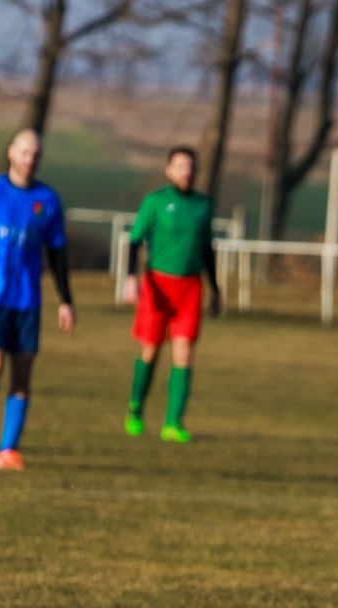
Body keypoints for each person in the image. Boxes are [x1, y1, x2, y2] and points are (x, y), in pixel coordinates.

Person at [0, 129, 75, 471]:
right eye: (24, 152)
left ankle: (8, 450)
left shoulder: (47, 200)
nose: (30, 159)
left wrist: (66, 300)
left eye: (35, 154)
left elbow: (57, 253)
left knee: (22, 375)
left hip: (28, 302)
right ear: (11, 153)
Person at [122, 145, 220, 442]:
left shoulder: (204, 205)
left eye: (190, 167)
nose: (186, 172)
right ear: (169, 171)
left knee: (185, 354)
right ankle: (135, 408)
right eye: (180, 166)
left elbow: (206, 249)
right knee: (150, 350)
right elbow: (135, 240)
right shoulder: (155, 202)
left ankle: (173, 423)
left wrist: (215, 288)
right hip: (157, 285)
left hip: (190, 287)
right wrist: (131, 277)